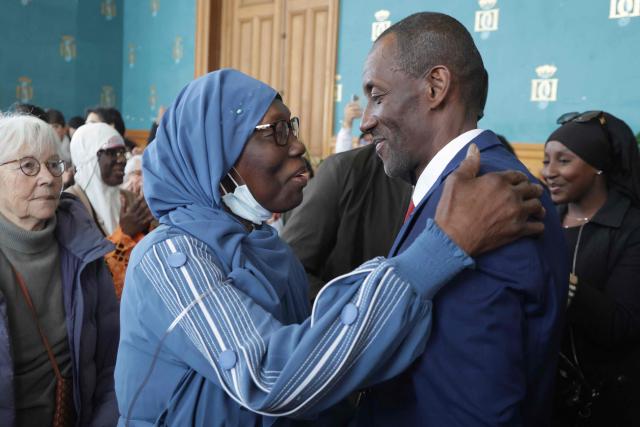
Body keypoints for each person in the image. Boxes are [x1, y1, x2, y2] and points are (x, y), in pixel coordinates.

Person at [114, 69, 546, 426]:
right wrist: (439, 250)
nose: (299, 145)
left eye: (292, 126)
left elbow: (320, 361)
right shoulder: (170, 257)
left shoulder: (268, 247)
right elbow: (266, 376)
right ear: (216, 156)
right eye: (277, 132)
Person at [354, 13, 568, 426]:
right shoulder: (462, 188)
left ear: (435, 87)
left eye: (376, 96)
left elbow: (472, 410)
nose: (364, 120)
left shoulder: (488, 199)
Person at [0, 113, 119, 426]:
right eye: (28, 165)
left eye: (54, 164)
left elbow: (112, 359)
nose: (48, 178)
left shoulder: (82, 248)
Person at [541, 111, 640, 426]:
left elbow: (621, 324)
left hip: (606, 402)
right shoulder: (544, 220)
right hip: (546, 392)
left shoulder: (631, 229)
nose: (549, 172)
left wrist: (563, 282)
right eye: (546, 160)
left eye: (564, 161)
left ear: (598, 166)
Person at [282, 142, 412, 298]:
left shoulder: (445, 184)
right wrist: (353, 313)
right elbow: (288, 268)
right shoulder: (345, 171)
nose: (365, 124)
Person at [66, 123, 154, 299]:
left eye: (123, 152)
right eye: (112, 152)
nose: (122, 159)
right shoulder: (70, 205)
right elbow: (88, 272)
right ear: (90, 157)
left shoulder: (129, 199)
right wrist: (124, 235)